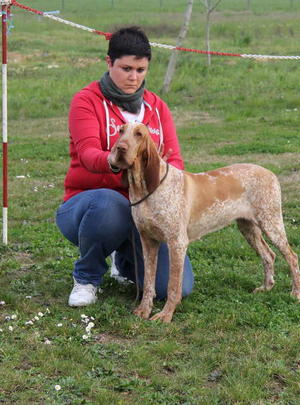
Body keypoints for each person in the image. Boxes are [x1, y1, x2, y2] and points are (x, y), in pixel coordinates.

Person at [55, 26, 194, 307]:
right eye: (126, 68)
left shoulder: (157, 107)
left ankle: (125, 263)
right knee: (110, 205)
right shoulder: (87, 100)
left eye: (141, 70)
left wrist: (163, 178)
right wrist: (117, 161)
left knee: (177, 287)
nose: (133, 77)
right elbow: (88, 155)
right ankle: (86, 278)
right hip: (90, 205)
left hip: (144, 210)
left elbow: (175, 161)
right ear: (109, 62)